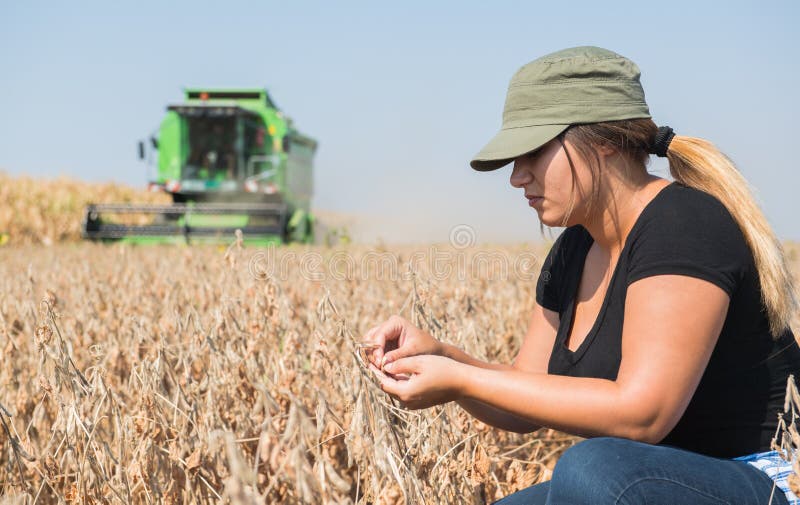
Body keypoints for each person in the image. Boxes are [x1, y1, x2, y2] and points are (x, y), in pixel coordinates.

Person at [362, 46, 800, 504]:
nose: (517, 176)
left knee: (594, 467)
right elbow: (524, 400)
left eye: (532, 151)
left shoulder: (683, 225)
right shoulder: (574, 247)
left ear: (604, 140)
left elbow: (643, 415)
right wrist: (444, 358)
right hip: (660, 479)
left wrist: (460, 380)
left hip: (771, 479)